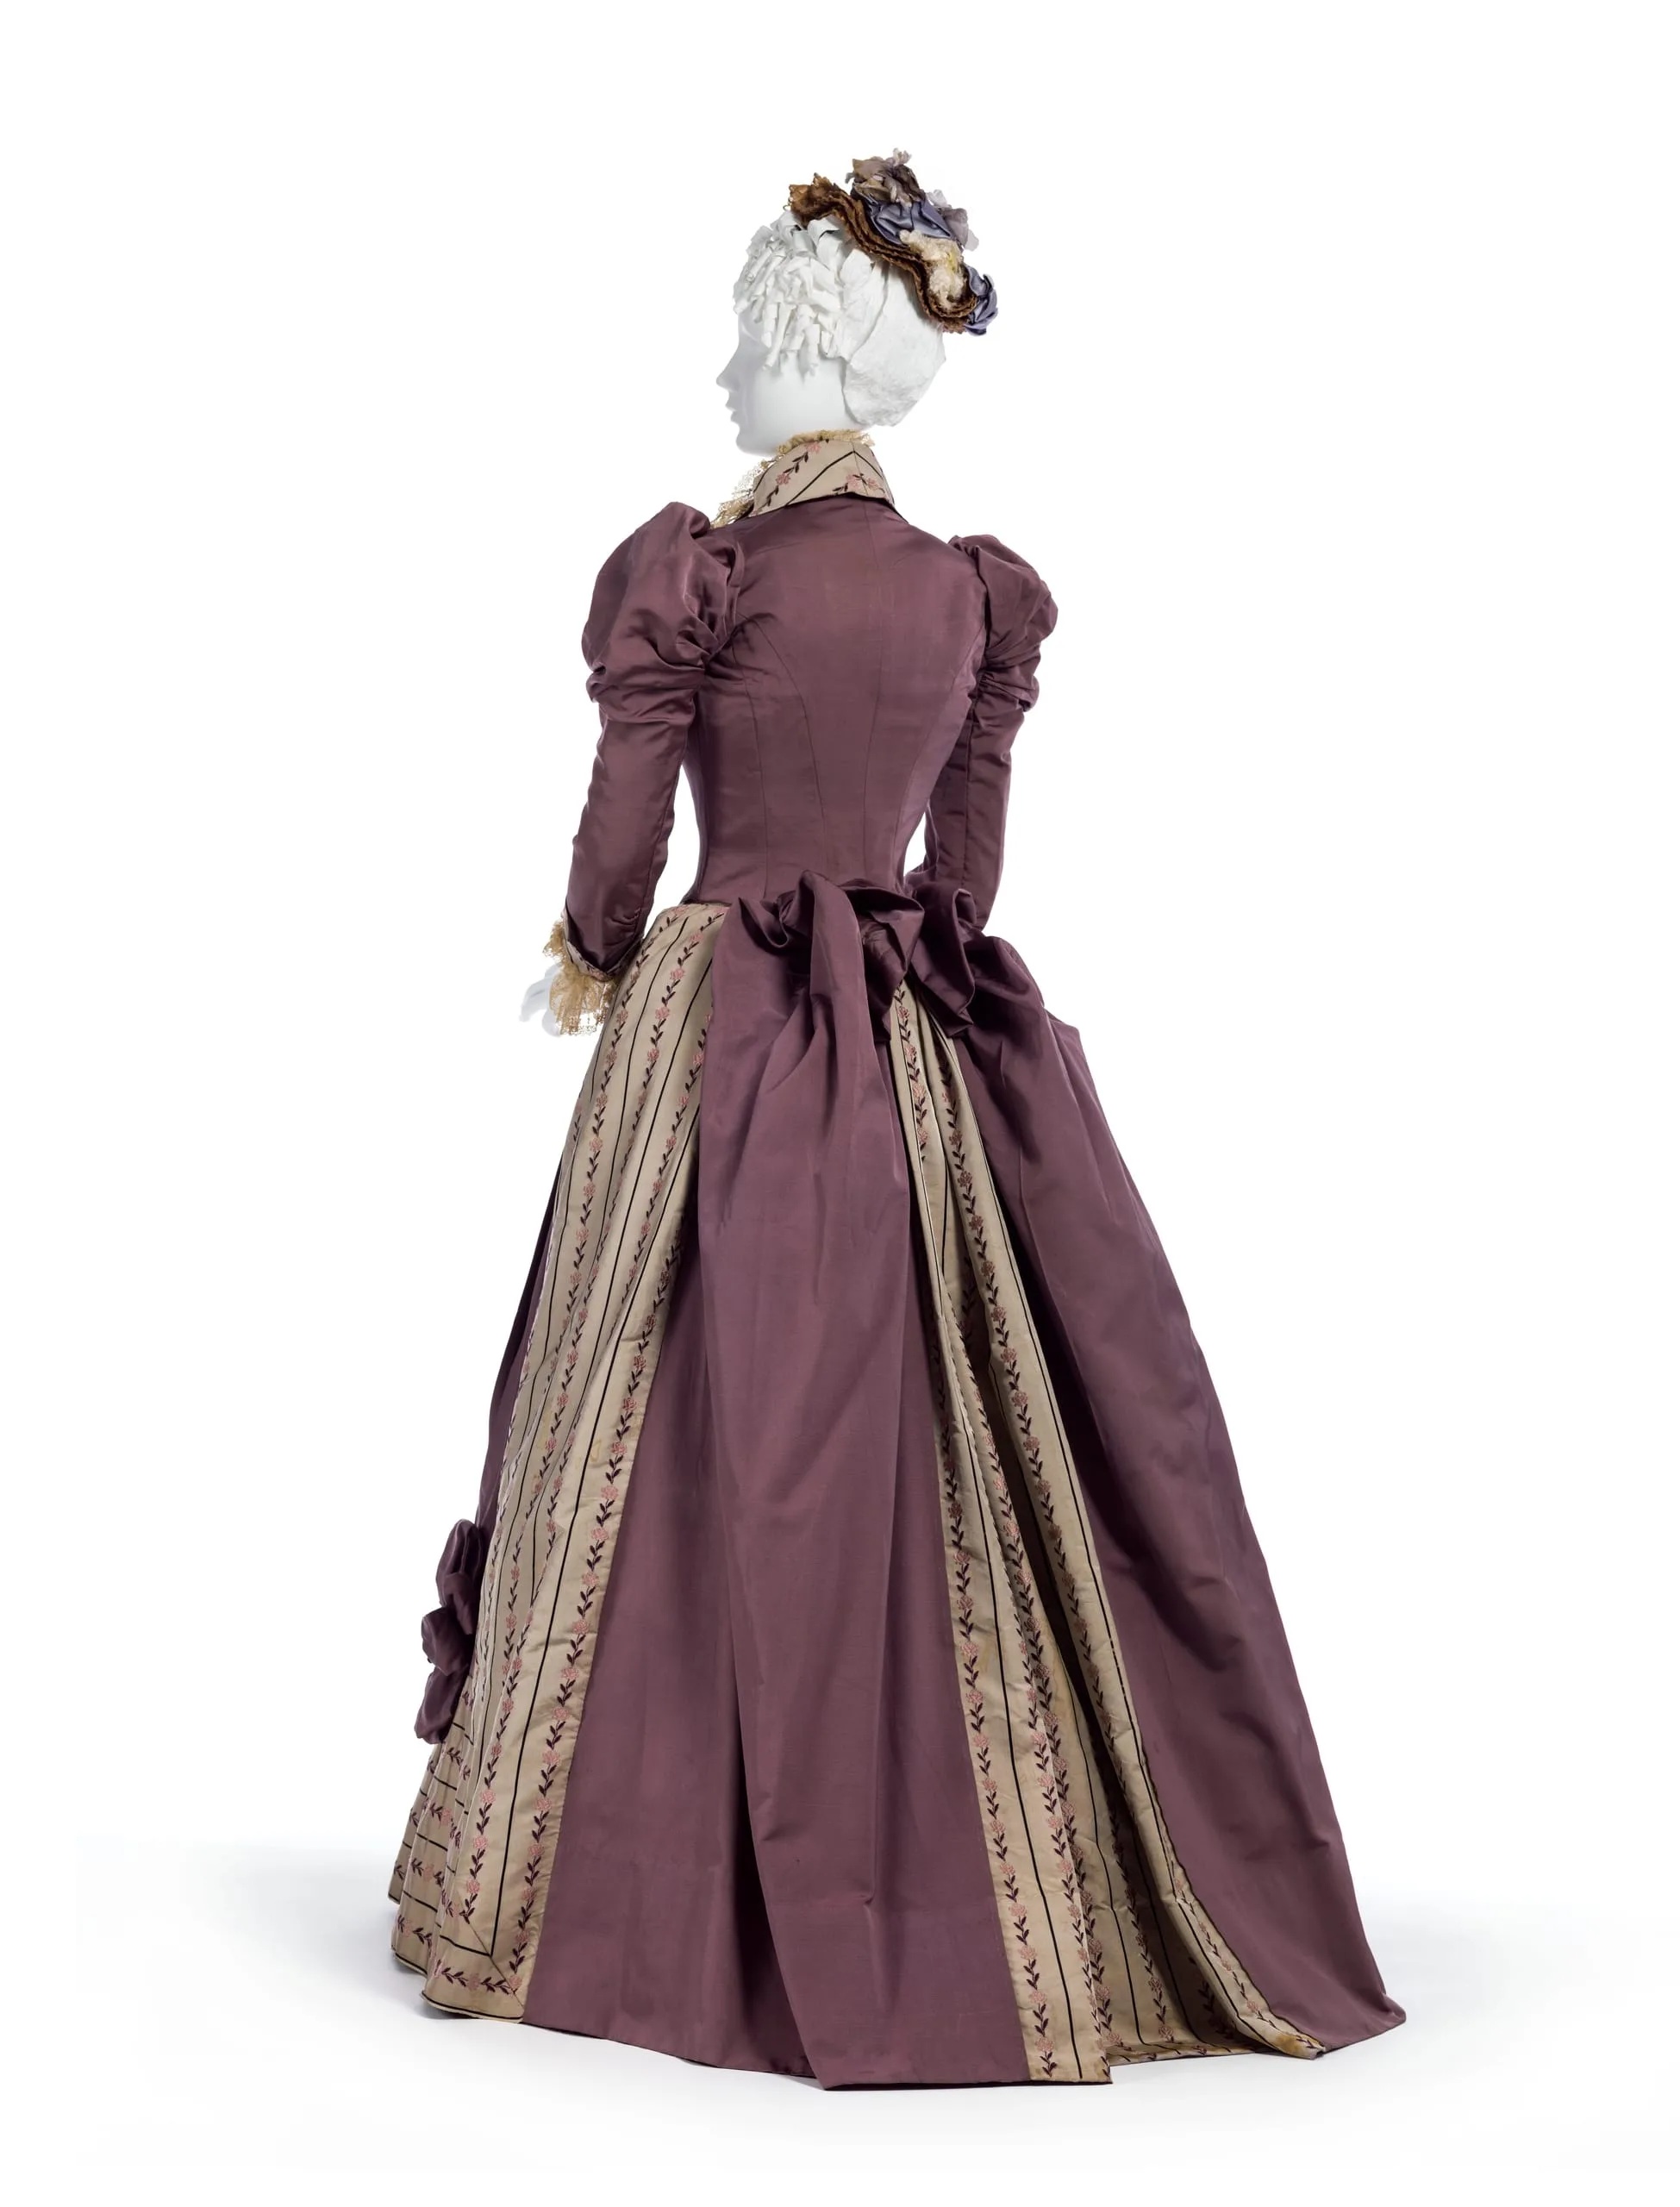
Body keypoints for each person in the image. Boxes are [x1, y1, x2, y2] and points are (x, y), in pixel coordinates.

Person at [390, 153, 1403, 2088]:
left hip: (718, 1012)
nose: (722, 377)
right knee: (946, 1398)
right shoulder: (968, 595)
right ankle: (993, 1856)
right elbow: (968, 869)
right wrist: (897, 961)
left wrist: (595, 950)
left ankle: (626, 1874)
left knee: (659, 1394)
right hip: (912, 1023)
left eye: (742, 342)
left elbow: (625, 836)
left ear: (807, 347)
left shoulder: (696, 571)